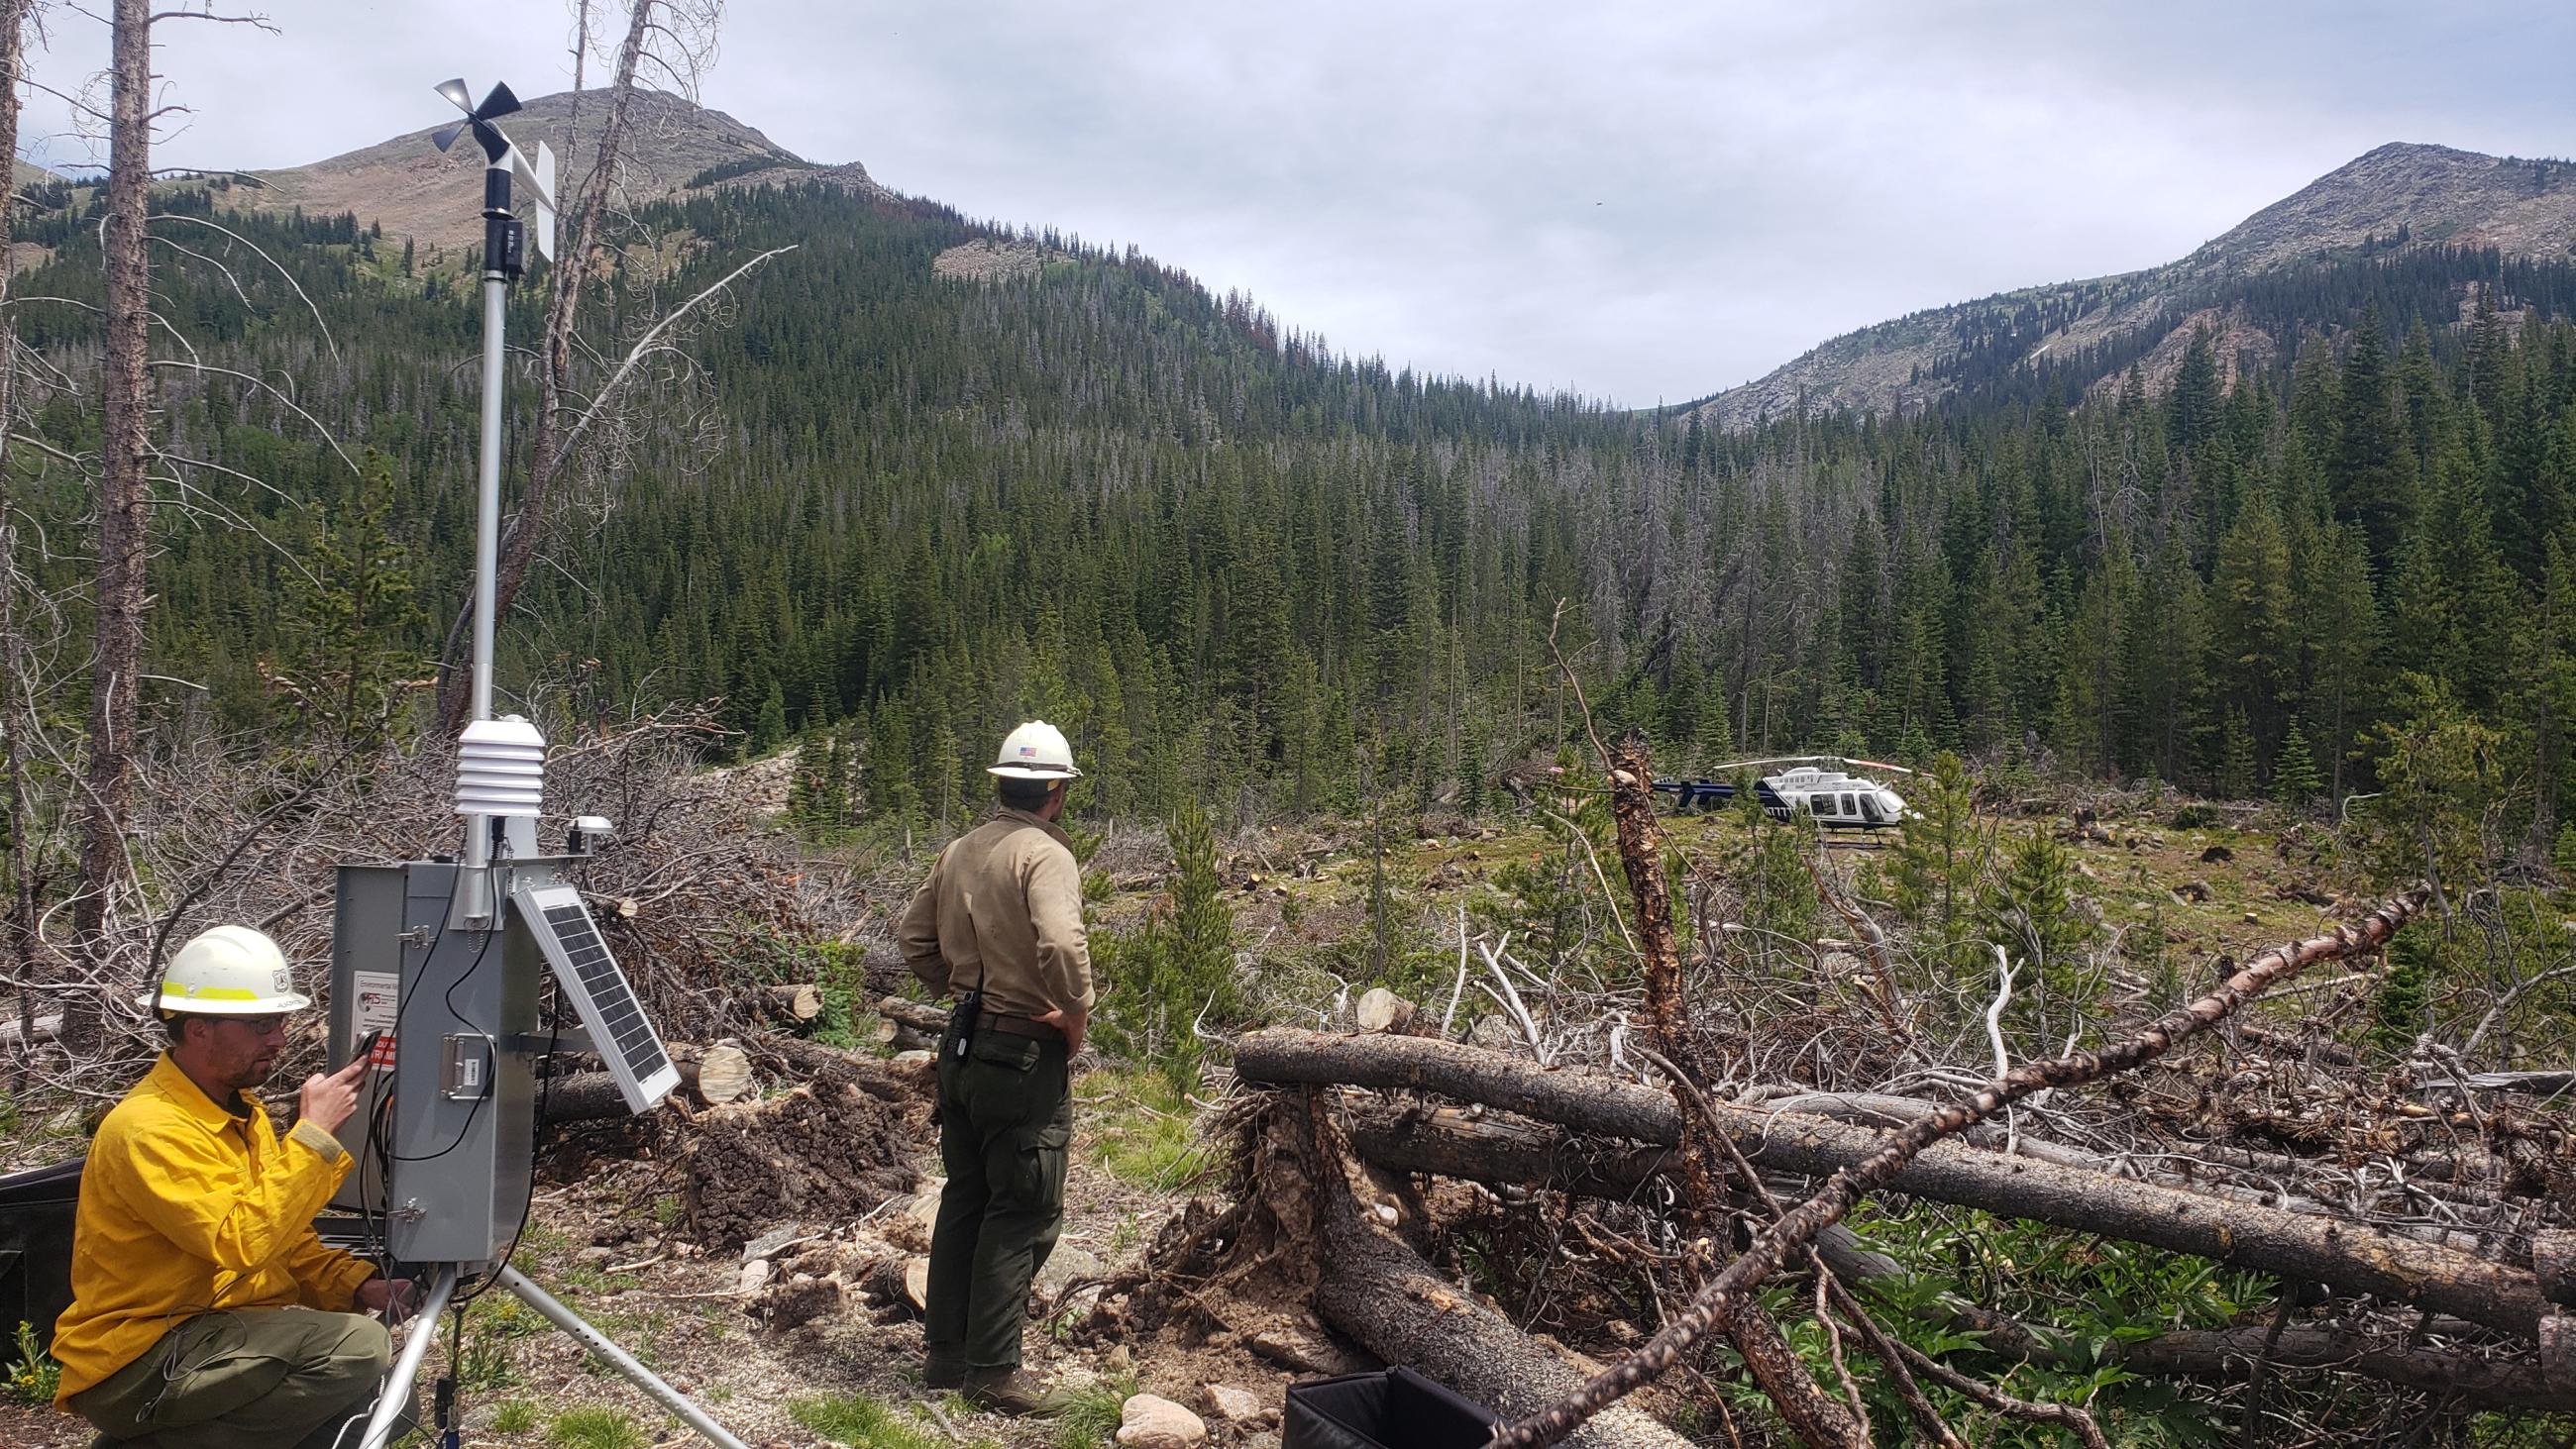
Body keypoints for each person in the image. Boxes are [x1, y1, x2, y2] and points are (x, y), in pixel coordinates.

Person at [54, 925, 416, 1449]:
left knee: (388, 1403)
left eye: (280, 1022)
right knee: (358, 1349)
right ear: (198, 1029)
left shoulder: (241, 1115)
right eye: (261, 1025)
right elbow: (242, 1243)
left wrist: (360, 1286)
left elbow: (286, 1243)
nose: (280, 1039)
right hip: (143, 1355)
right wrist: (312, 1137)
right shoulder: (150, 1129)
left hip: (214, 1337)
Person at [898, 720, 1094, 1416]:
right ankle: (993, 1368)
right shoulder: (1043, 854)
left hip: (961, 1046)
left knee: (966, 1196)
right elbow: (1064, 943)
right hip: (1020, 1054)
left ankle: (945, 1355)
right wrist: (1073, 1011)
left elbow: (913, 939)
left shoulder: (959, 850)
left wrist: (959, 995)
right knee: (1026, 1208)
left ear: (1003, 782)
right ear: (1057, 793)